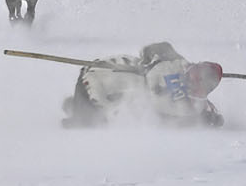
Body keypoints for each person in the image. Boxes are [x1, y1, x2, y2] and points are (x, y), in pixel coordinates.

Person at [62, 42, 224, 128]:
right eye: (196, 70)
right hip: (94, 79)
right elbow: (150, 49)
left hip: (98, 94)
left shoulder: (189, 106)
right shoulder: (177, 63)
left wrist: (208, 117)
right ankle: (78, 113)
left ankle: (77, 111)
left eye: (200, 80)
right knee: (84, 121)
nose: (193, 76)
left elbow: (177, 116)